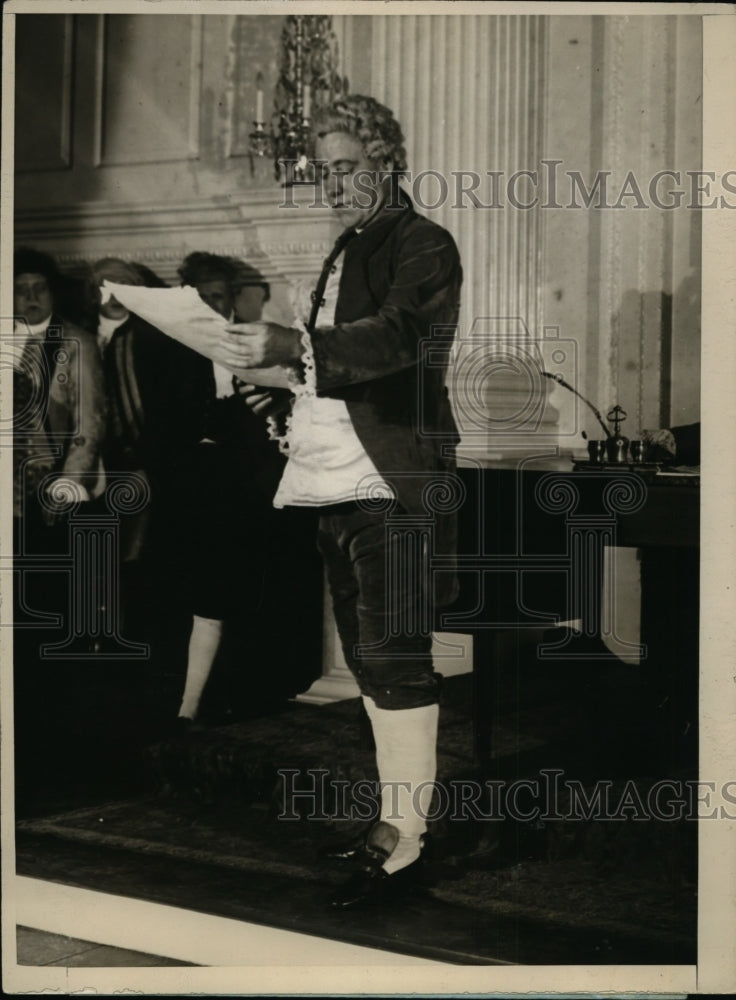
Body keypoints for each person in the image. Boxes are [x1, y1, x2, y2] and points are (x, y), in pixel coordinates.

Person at [219, 95, 463, 908]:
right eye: (324, 171)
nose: (334, 185)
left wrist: (296, 343)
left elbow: (398, 339)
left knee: (393, 653)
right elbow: (333, 367)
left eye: (348, 168)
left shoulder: (423, 242)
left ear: (388, 159)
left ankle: (408, 844)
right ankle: (397, 820)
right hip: (336, 473)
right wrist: (258, 367)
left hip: (389, 476)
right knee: (366, 652)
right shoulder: (350, 247)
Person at [169, 252, 286, 729]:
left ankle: (241, 699)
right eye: (201, 298)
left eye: (218, 296)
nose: (211, 307)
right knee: (206, 596)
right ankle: (189, 708)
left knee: (248, 594)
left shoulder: (260, 342)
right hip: (200, 486)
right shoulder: (175, 348)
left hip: (252, 486)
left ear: (233, 297)